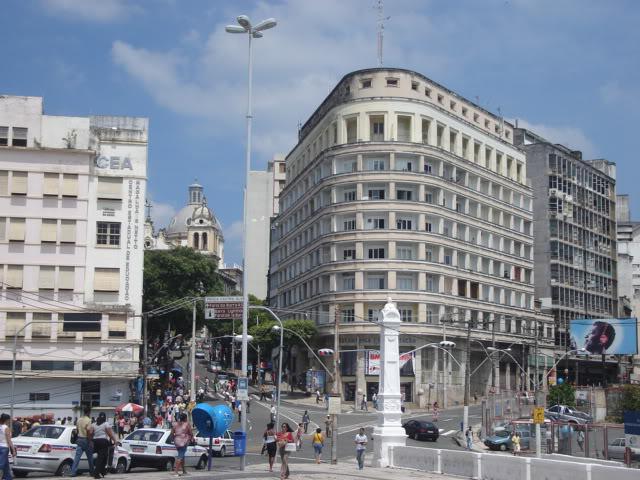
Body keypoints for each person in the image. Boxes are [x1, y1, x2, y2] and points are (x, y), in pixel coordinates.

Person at [71, 405, 95, 477]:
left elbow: (77, 430)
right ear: (89, 412)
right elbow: (88, 431)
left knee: (77, 458)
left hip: (79, 439)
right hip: (86, 439)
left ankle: (73, 472)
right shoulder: (89, 420)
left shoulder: (79, 419)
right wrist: (90, 441)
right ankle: (92, 472)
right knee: (90, 457)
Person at [92, 413, 116, 479]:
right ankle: (97, 473)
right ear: (105, 417)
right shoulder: (106, 424)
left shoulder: (94, 424)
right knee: (102, 458)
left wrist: (91, 440)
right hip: (103, 442)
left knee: (101, 458)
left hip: (95, 441)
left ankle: (102, 472)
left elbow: (91, 432)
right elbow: (110, 433)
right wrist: (115, 440)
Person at [0, 413, 17, 480]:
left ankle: (8, 478)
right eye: (9, 419)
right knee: (1, 465)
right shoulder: (6, 428)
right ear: (7, 420)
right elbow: (9, 440)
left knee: (5, 464)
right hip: (4, 447)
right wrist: (13, 450)